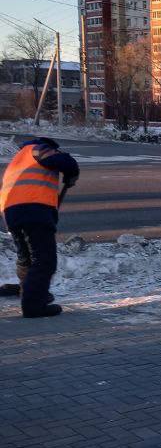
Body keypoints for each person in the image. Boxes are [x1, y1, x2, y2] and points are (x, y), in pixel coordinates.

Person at [0, 135, 79, 318]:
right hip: (33, 208)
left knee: (28, 257)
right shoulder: (38, 148)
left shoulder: (19, 158)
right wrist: (72, 171)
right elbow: (64, 161)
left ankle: (31, 291)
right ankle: (33, 305)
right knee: (45, 259)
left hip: (12, 212)